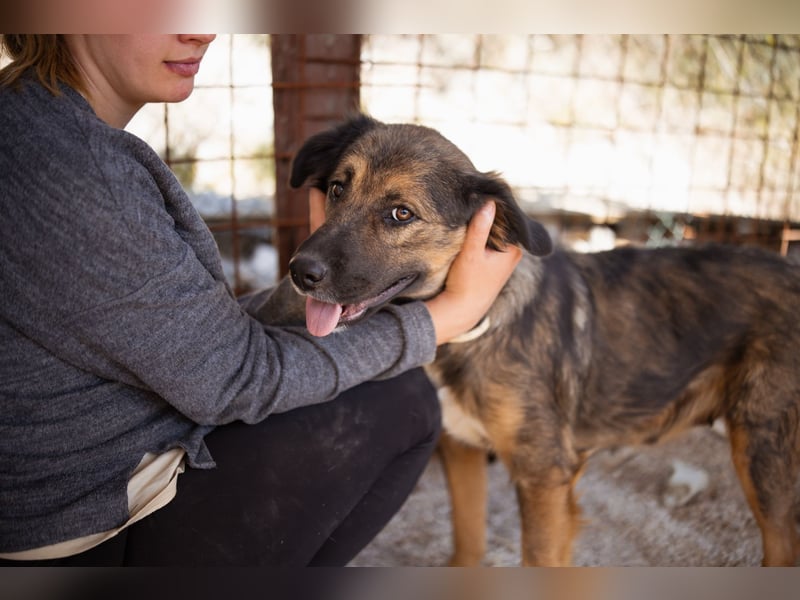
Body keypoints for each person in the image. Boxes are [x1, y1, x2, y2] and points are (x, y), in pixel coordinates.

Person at [0, 34, 522, 566]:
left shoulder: (35, 125)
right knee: (402, 401)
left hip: (76, 487)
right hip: (79, 532)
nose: (202, 28)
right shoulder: (74, 166)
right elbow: (232, 379)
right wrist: (444, 318)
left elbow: (188, 338)